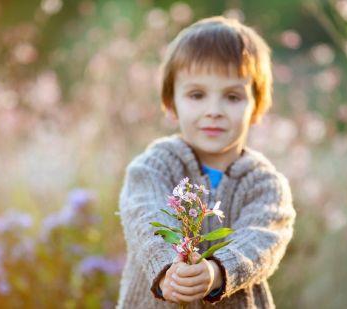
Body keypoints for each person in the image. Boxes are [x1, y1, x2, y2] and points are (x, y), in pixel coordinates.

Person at [117, 16, 296, 309]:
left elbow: (261, 239)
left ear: (256, 107)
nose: (214, 110)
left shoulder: (266, 184)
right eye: (197, 95)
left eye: (232, 96)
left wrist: (216, 271)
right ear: (172, 103)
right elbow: (144, 215)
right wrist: (170, 268)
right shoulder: (153, 166)